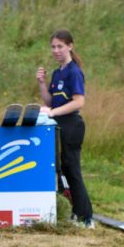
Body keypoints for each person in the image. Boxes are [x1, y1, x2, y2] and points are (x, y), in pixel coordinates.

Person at [36, 29, 94, 228]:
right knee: (62, 170)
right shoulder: (57, 72)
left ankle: (86, 217)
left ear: (70, 46)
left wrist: (53, 112)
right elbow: (51, 101)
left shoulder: (74, 71)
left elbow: (79, 102)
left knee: (73, 170)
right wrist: (42, 84)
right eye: (53, 47)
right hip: (58, 125)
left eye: (60, 46)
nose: (56, 50)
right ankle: (73, 212)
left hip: (72, 124)